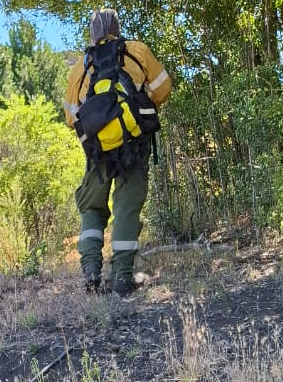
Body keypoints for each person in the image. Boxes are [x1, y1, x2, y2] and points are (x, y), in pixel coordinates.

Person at [64, 9, 172, 295]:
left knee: (91, 207)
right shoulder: (136, 51)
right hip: (134, 144)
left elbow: (70, 115)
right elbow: (163, 89)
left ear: (93, 33)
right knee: (127, 207)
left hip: (97, 151)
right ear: (117, 27)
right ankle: (122, 278)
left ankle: (90, 272)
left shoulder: (81, 66)